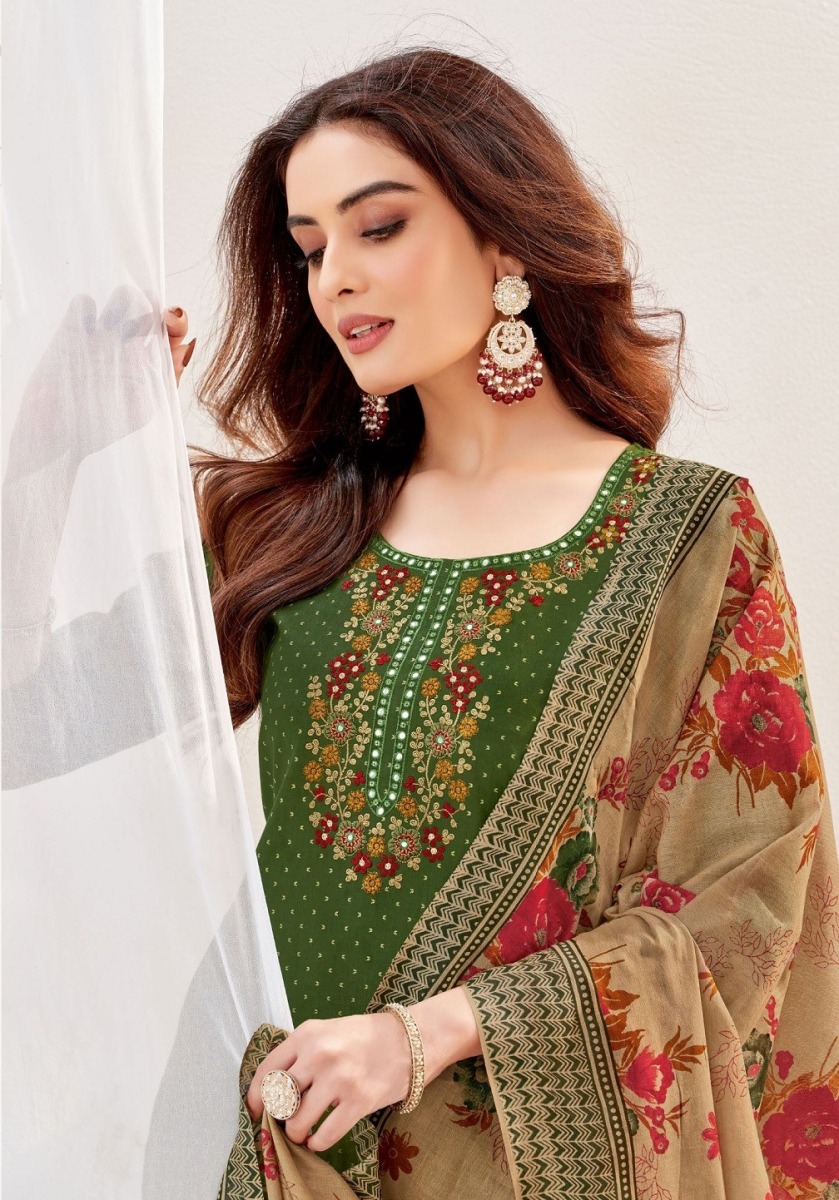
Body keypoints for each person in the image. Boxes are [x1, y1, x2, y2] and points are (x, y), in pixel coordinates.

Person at [169, 47, 839, 1200]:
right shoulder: (285, 525)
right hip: (290, 1147)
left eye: (379, 227)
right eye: (310, 248)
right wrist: (91, 451)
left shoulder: (688, 535)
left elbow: (745, 905)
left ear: (504, 240)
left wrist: (424, 1034)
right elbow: (59, 714)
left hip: (519, 1164)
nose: (335, 279)